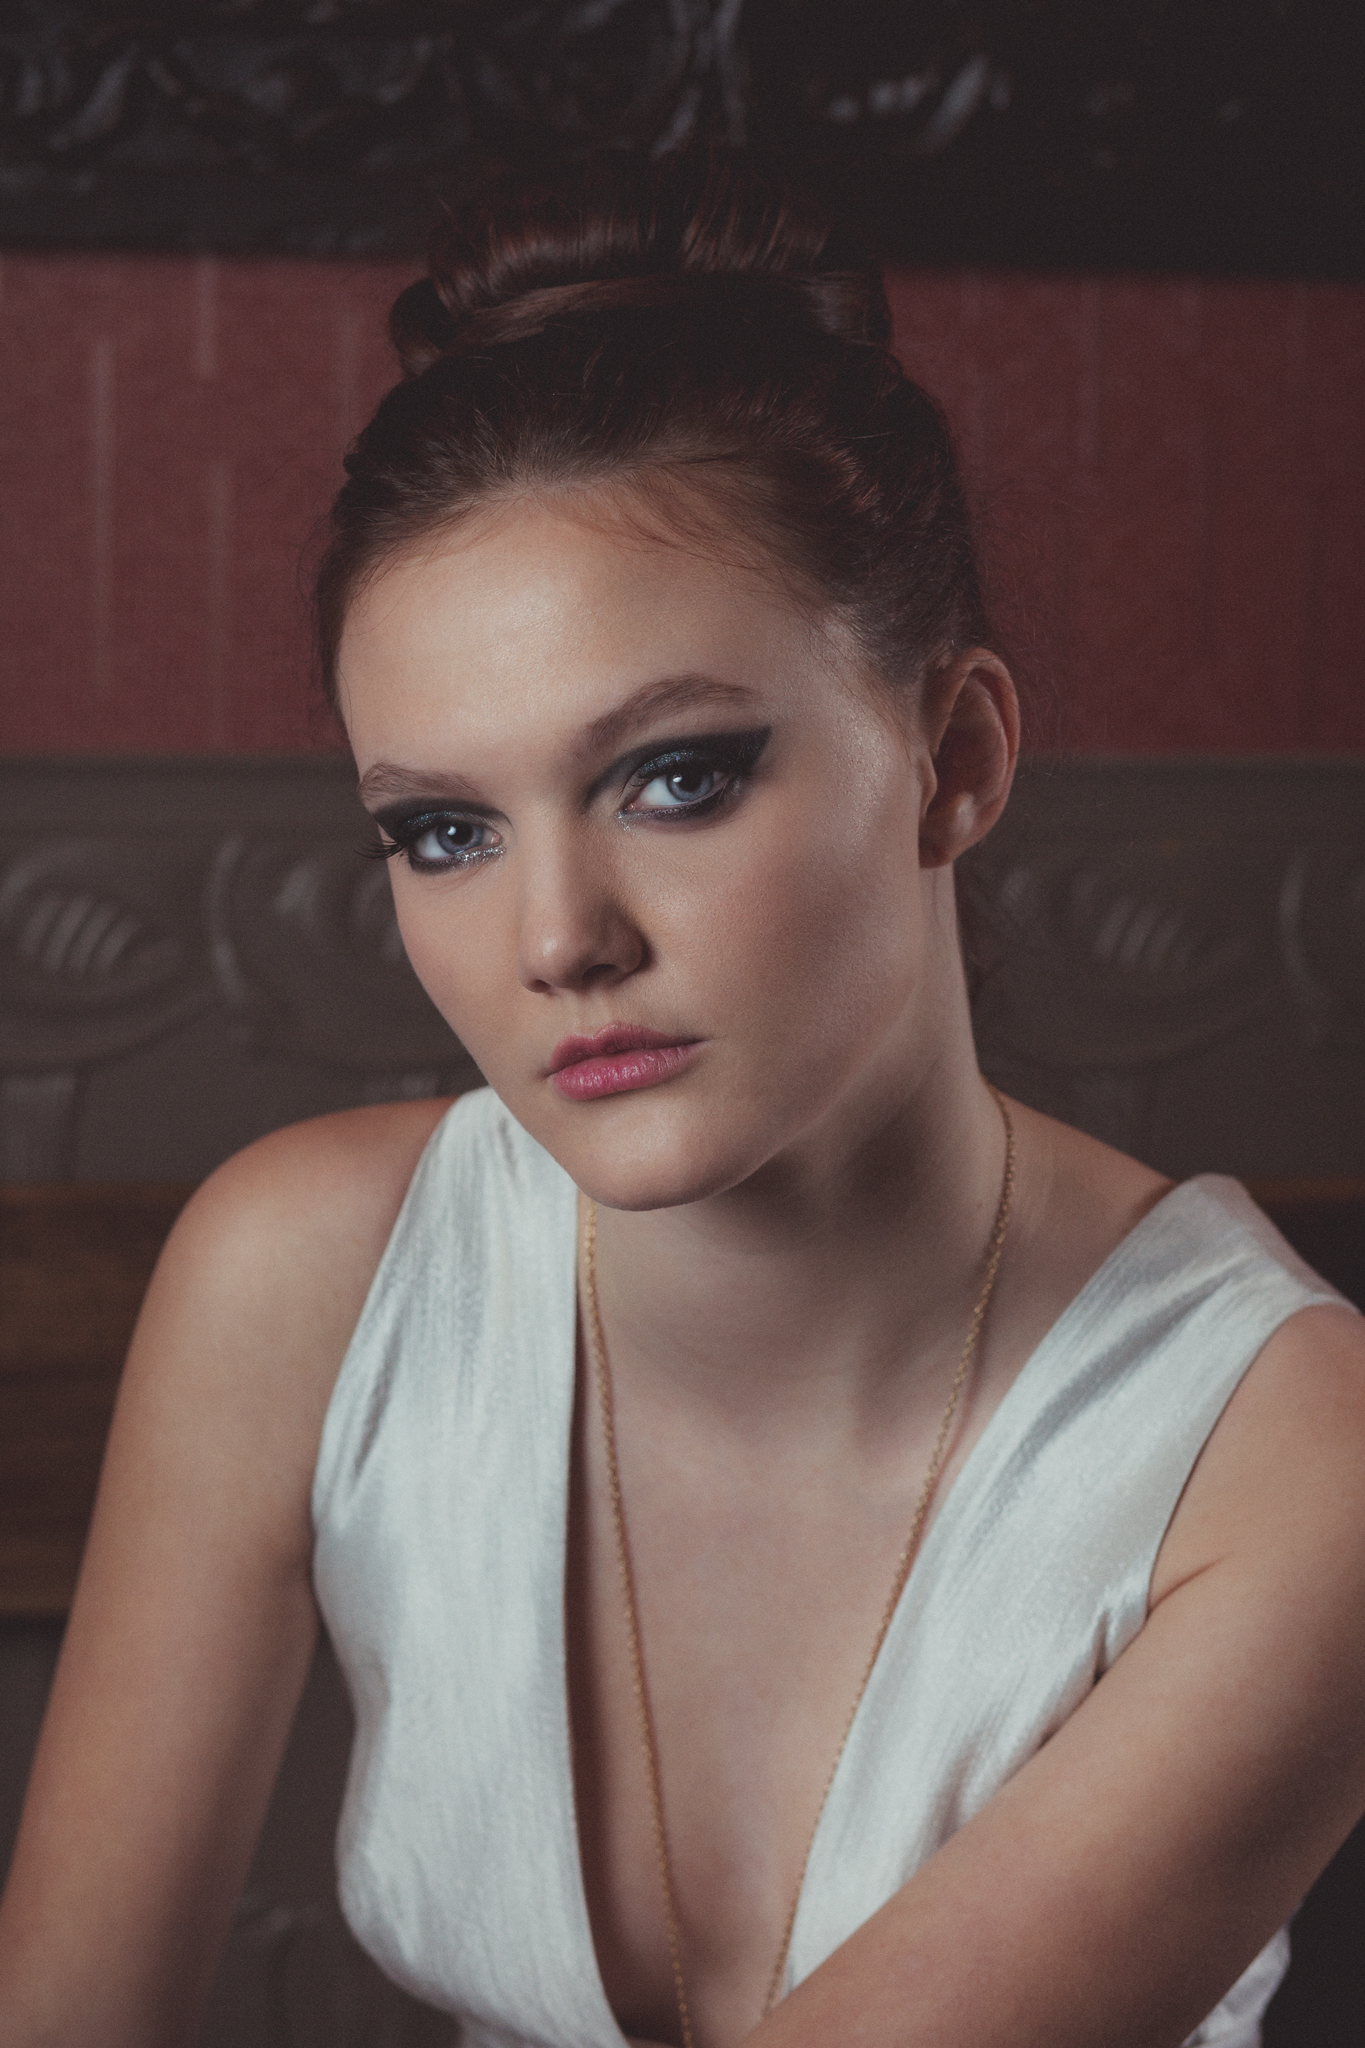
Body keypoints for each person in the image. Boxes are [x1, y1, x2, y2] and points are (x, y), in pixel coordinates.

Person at [1, 147, 1363, 2048]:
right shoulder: (304, 1274)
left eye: (676, 779)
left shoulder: (1293, 1457)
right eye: (444, 831)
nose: (557, 939)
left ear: (955, 758)